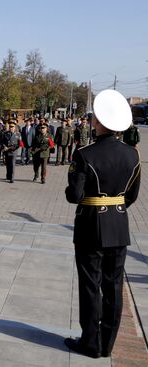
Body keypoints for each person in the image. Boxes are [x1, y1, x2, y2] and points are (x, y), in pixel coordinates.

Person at [64, 89, 141, 359]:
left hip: (90, 226)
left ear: (97, 121)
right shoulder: (133, 155)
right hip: (119, 225)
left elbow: (74, 196)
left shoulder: (85, 154)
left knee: (90, 286)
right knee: (113, 287)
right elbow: (131, 196)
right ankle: (107, 344)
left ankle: (90, 342)